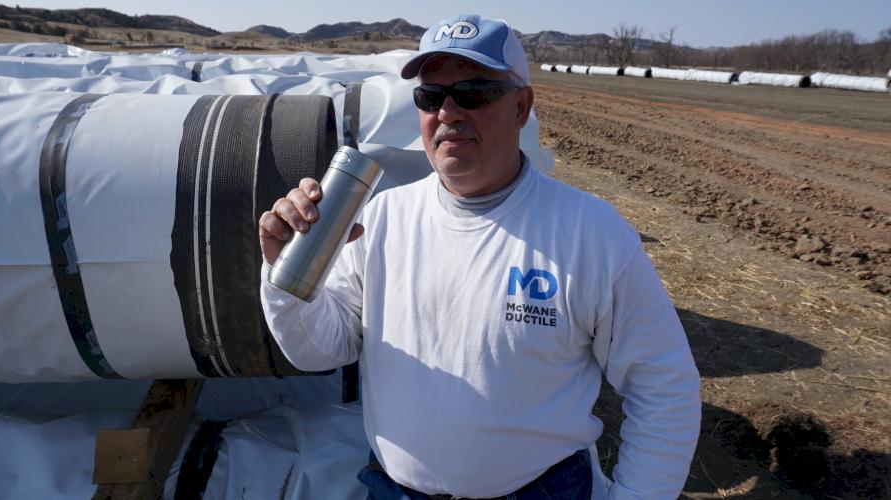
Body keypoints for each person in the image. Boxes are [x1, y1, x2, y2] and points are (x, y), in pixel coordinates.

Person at [258, 14, 701, 500]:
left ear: (521, 106)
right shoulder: (382, 219)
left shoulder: (590, 234)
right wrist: (284, 276)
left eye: (473, 92)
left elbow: (664, 390)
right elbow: (321, 349)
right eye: (430, 97)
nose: (448, 112)